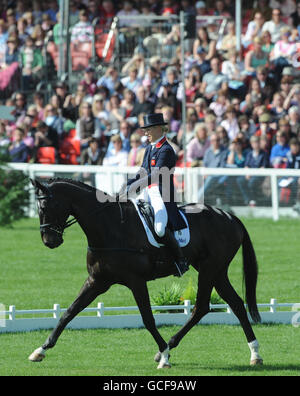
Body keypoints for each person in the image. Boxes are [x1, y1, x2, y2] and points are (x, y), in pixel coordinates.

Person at [120, 113, 189, 277]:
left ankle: (180, 260)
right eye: (145, 130)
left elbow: (157, 174)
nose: (145, 133)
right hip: (147, 191)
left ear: (159, 128)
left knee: (159, 229)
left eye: (148, 129)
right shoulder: (149, 148)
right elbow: (143, 171)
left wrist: (136, 185)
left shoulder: (166, 149)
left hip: (161, 193)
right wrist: (128, 185)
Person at [236, 135, 269, 206]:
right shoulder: (249, 154)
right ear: (251, 144)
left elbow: (263, 167)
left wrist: (253, 173)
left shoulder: (264, 154)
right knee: (240, 180)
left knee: (251, 182)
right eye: (253, 143)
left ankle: (254, 200)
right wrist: (247, 173)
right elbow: (246, 166)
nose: (255, 144)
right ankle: (248, 199)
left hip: (259, 176)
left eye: (257, 142)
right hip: (249, 175)